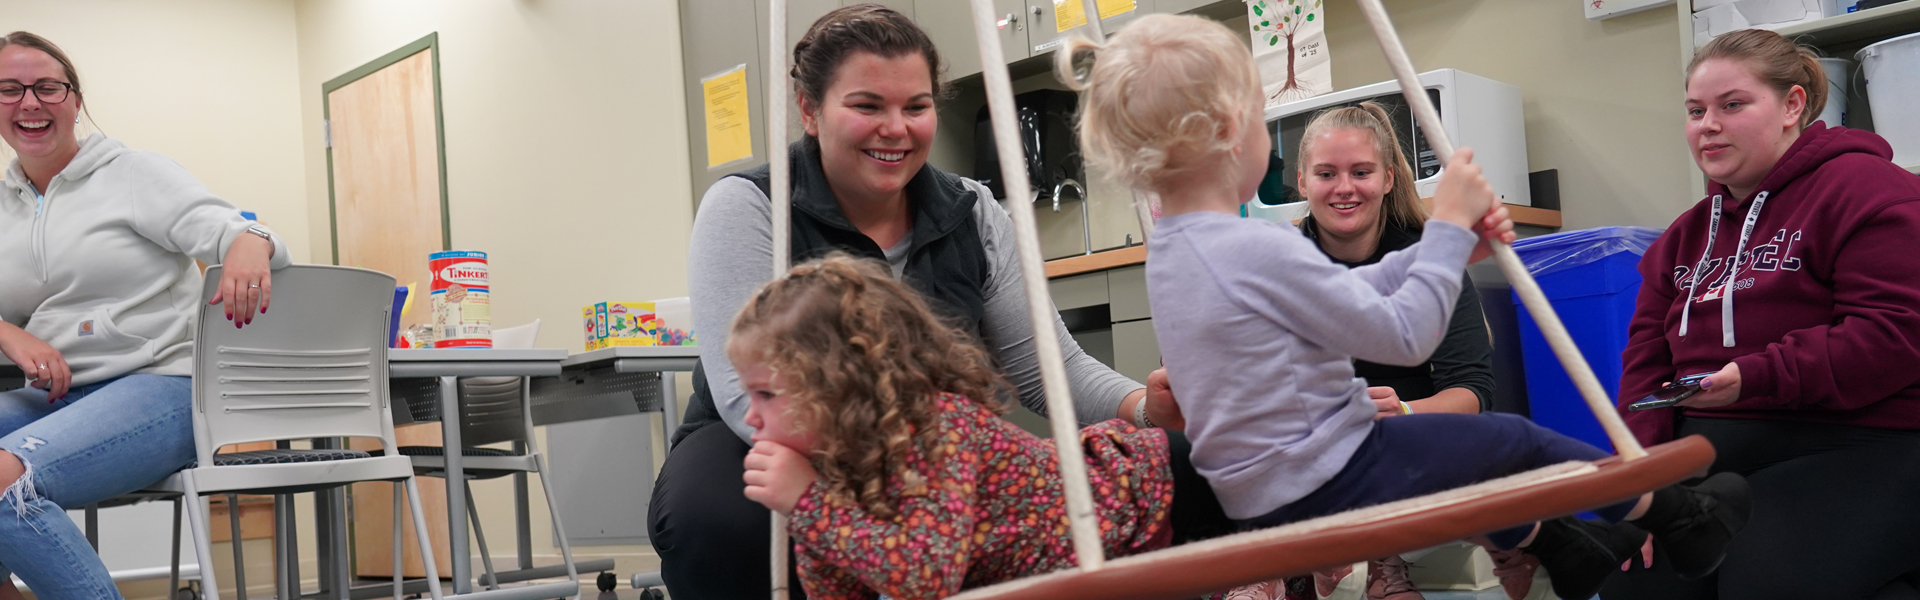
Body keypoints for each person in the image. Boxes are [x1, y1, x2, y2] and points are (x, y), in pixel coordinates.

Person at [1063, 14, 1751, 600]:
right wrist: (1446, 226)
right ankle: (1682, 518)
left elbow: (1348, 295)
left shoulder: (1180, 251)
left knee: (1468, 458)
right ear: (1228, 132)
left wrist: (1440, 255)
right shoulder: (1254, 248)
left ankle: (1571, 553)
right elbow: (1408, 336)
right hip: (1327, 474)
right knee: (1514, 441)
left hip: (1259, 487)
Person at [648, 6, 1201, 598]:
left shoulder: (973, 212)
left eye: (916, 106)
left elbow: (1048, 369)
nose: (896, 128)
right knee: (729, 522)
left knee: (981, 522)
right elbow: (742, 395)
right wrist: (826, 490)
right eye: (867, 106)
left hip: (920, 442)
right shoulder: (752, 205)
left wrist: (1144, 409)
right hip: (764, 435)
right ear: (810, 111)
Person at [1600, 29, 1920, 600]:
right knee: (1635, 581)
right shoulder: (1682, 239)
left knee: (1767, 583)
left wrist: (1757, 375)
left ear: (1792, 106)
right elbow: (1644, 366)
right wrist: (1646, 468)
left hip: (1854, 440)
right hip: (1709, 447)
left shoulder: (1872, 193)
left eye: (1732, 105)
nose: (1708, 125)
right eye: (1696, 111)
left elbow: (1893, 336)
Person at [734, 254, 1226, 598]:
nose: (749, 414)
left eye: (766, 394)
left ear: (838, 385)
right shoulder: (825, 475)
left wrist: (808, 503)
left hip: (1155, 488)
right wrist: (808, 510)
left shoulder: (933, 428)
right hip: (1092, 546)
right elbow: (840, 588)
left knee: (1286, 536)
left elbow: (927, 577)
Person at [0, 31, 290, 599]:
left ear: (75, 101)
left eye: (47, 88)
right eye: (9, 90)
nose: (29, 103)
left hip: (162, 387)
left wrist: (250, 242)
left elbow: (243, 233)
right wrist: (9, 333)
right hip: (58, 397)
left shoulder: (133, 173)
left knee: (8, 481)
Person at [1292, 103, 1497, 599]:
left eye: (1360, 172)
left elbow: (1474, 392)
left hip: (1409, 448)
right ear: (1301, 182)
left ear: (1387, 178)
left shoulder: (1427, 258)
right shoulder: (1276, 265)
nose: (1344, 188)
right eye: (1326, 173)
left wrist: (1404, 412)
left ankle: (1372, 560)